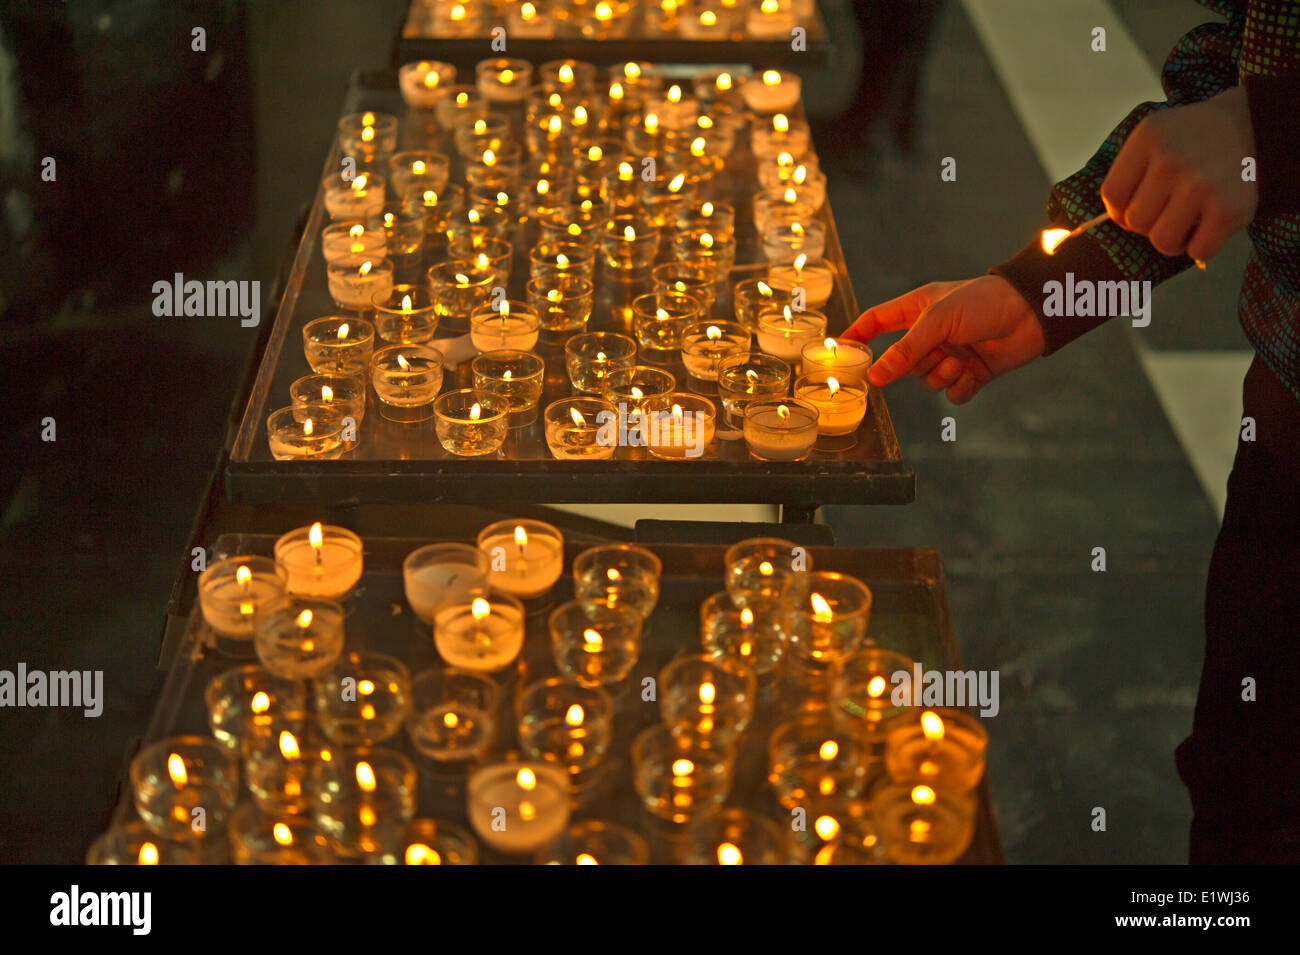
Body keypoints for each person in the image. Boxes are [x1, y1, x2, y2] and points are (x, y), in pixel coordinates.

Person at [844, 0, 1300, 864]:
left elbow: (1254, 114)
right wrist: (1042, 288)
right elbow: (1243, 60)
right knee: (1241, 796)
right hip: (1282, 427)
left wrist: (1271, 127)